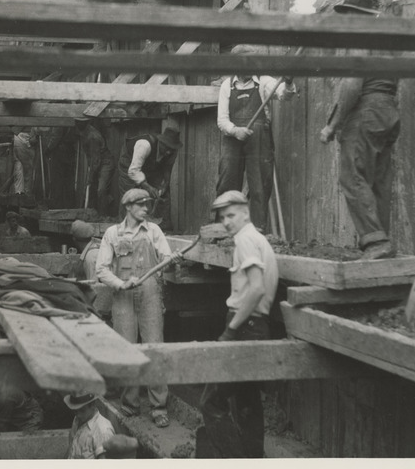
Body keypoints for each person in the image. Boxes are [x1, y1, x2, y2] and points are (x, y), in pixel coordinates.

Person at [195, 190, 279, 459]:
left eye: (231, 215)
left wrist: (231, 331)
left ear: (246, 212)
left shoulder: (245, 241)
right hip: (258, 327)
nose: (227, 222)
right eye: (222, 218)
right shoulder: (259, 240)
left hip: (244, 326)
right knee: (247, 401)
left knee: (210, 403)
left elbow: (255, 290)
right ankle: (254, 458)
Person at [320, 0, 399, 260]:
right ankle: (380, 242)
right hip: (388, 109)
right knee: (378, 180)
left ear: (355, 15)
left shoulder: (358, 38)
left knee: (352, 177)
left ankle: (375, 243)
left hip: (365, 111)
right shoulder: (385, 41)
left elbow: (352, 85)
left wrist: (332, 125)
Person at [96, 188, 181, 428]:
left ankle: (158, 407)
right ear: (129, 207)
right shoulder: (113, 233)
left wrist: (171, 260)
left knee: (154, 348)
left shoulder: (154, 231)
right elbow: (102, 270)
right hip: (123, 296)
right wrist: (121, 284)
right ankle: (130, 404)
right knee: (127, 349)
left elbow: (165, 257)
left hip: (150, 294)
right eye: (142, 205)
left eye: (148, 205)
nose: (146, 209)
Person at [216, 44, 296, 233]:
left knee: (260, 185)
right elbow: (222, 120)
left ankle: (258, 229)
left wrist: (289, 83)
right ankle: (223, 229)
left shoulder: (264, 81)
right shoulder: (227, 85)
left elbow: (284, 95)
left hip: (259, 139)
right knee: (227, 182)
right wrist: (236, 131)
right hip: (233, 137)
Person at [117, 127, 182, 228]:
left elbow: (167, 169)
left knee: (163, 193)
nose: (169, 152)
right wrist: (147, 186)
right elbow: (133, 171)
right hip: (130, 162)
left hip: (151, 165)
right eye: (167, 148)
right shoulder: (144, 145)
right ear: (161, 143)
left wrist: (164, 184)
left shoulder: (172, 151)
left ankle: (164, 226)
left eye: (171, 149)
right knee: (129, 192)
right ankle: (126, 227)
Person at [75, 118, 114, 216]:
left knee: (101, 189)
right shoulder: (84, 132)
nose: (77, 124)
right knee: (93, 189)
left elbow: (96, 160)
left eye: (80, 122)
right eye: (77, 121)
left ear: (85, 122)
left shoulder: (92, 136)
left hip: (105, 163)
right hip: (97, 162)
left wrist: (90, 177)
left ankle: (103, 216)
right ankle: (92, 214)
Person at [64, 393, 116, 459]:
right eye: (75, 411)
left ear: (93, 405)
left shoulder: (103, 431)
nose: (78, 415)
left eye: (82, 411)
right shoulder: (77, 419)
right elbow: (71, 449)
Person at [13, 131, 37, 197]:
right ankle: (26, 194)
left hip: (16, 140)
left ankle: (19, 192)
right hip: (24, 143)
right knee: (27, 171)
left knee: (18, 168)